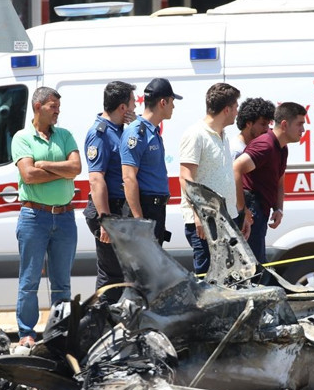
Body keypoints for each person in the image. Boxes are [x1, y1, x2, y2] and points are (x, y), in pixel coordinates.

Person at [12, 86, 81, 348]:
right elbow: (28, 175)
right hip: (34, 216)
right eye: (53, 106)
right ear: (38, 107)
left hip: (64, 217)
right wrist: (61, 172)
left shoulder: (64, 135)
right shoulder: (22, 138)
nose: (58, 111)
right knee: (29, 281)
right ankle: (27, 333)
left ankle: (59, 332)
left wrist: (46, 165)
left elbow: (75, 167)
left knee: (62, 283)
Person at [179, 82, 244, 274]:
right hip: (206, 223)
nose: (237, 112)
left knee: (227, 278)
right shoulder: (196, 134)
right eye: (236, 107)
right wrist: (199, 216)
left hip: (224, 220)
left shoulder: (223, 135)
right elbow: (185, 177)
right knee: (207, 279)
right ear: (226, 109)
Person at [82, 81, 136, 304]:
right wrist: (105, 219)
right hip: (108, 211)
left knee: (125, 275)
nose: (135, 107)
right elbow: (96, 179)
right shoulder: (99, 134)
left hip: (119, 210)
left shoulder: (120, 128)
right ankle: (104, 328)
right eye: (133, 103)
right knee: (111, 277)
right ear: (122, 107)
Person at [233, 102, 307, 263]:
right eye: (300, 124)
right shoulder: (265, 145)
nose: (303, 130)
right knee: (253, 270)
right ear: (285, 125)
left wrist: (278, 208)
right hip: (252, 208)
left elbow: (279, 180)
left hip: (261, 210)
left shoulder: (282, 148)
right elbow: (236, 169)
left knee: (258, 266)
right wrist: (242, 210)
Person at [120, 78, 180, 245]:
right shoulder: (136, 133)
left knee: (153, 269)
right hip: (145, 209)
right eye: (172, 102)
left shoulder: (151, 131)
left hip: (156, 210)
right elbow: (129, 178)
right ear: (163, 102)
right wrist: (139, 221)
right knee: (143, 269)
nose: (173, 107)